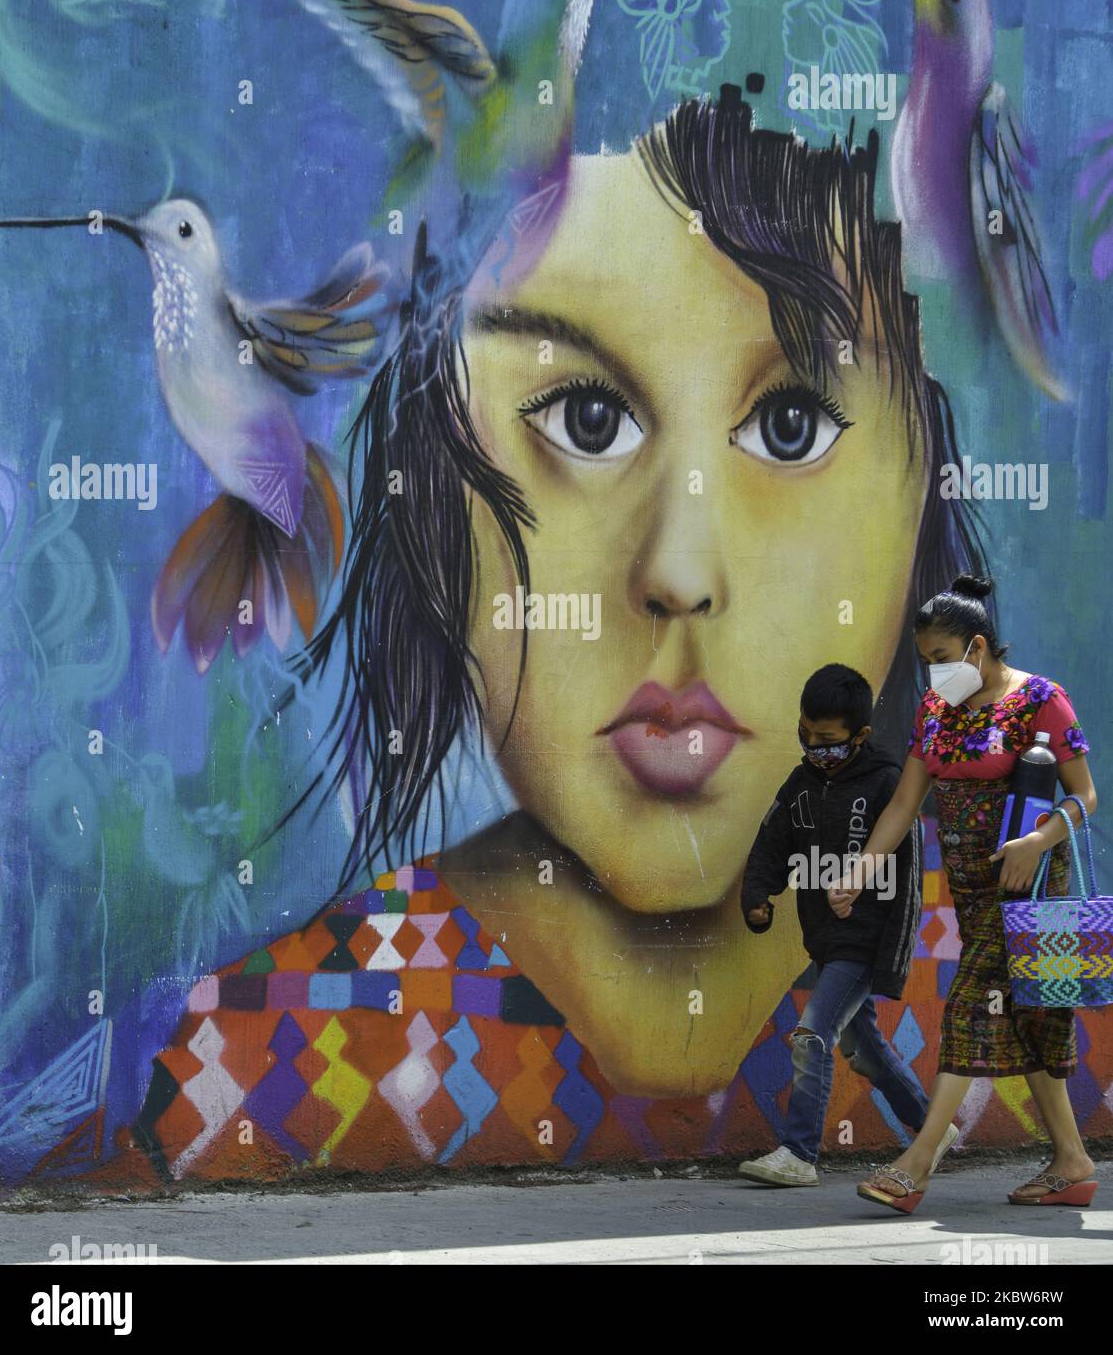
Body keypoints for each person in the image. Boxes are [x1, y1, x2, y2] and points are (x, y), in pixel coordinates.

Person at [103, 91, 996, 1183]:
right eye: (584, 419)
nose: (676, 571)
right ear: (431, 502)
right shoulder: (250, 1060)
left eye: (791, 425)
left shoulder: (1034, 1002)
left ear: (921, 484)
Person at [833, 575, 1098, 1212]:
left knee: (969, 1011)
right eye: (926, 662)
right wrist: (860, 871)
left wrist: (1036, 843)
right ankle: (1073, 1162)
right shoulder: (936, 712)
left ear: (977, 646)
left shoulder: (1041, 700)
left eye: (942, 659)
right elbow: (904, 803)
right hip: (973, 892)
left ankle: (916, 1164)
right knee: (1029, 1019)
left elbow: (1085, 797)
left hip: (1030, 889)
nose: (934, 673)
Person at [737, 664, 947, 1187]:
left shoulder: (887, 785)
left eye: (828, 741)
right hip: (825, 941)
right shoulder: (801, 784)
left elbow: (909, 880)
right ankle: (932, 1130)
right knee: (863, 1049)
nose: (814, 747)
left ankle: (799, 1152)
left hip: (864, 941)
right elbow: (771, 844)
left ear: (862, 736)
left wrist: (890, 957)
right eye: (805, 735)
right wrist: (757, 896)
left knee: (812, 1034)